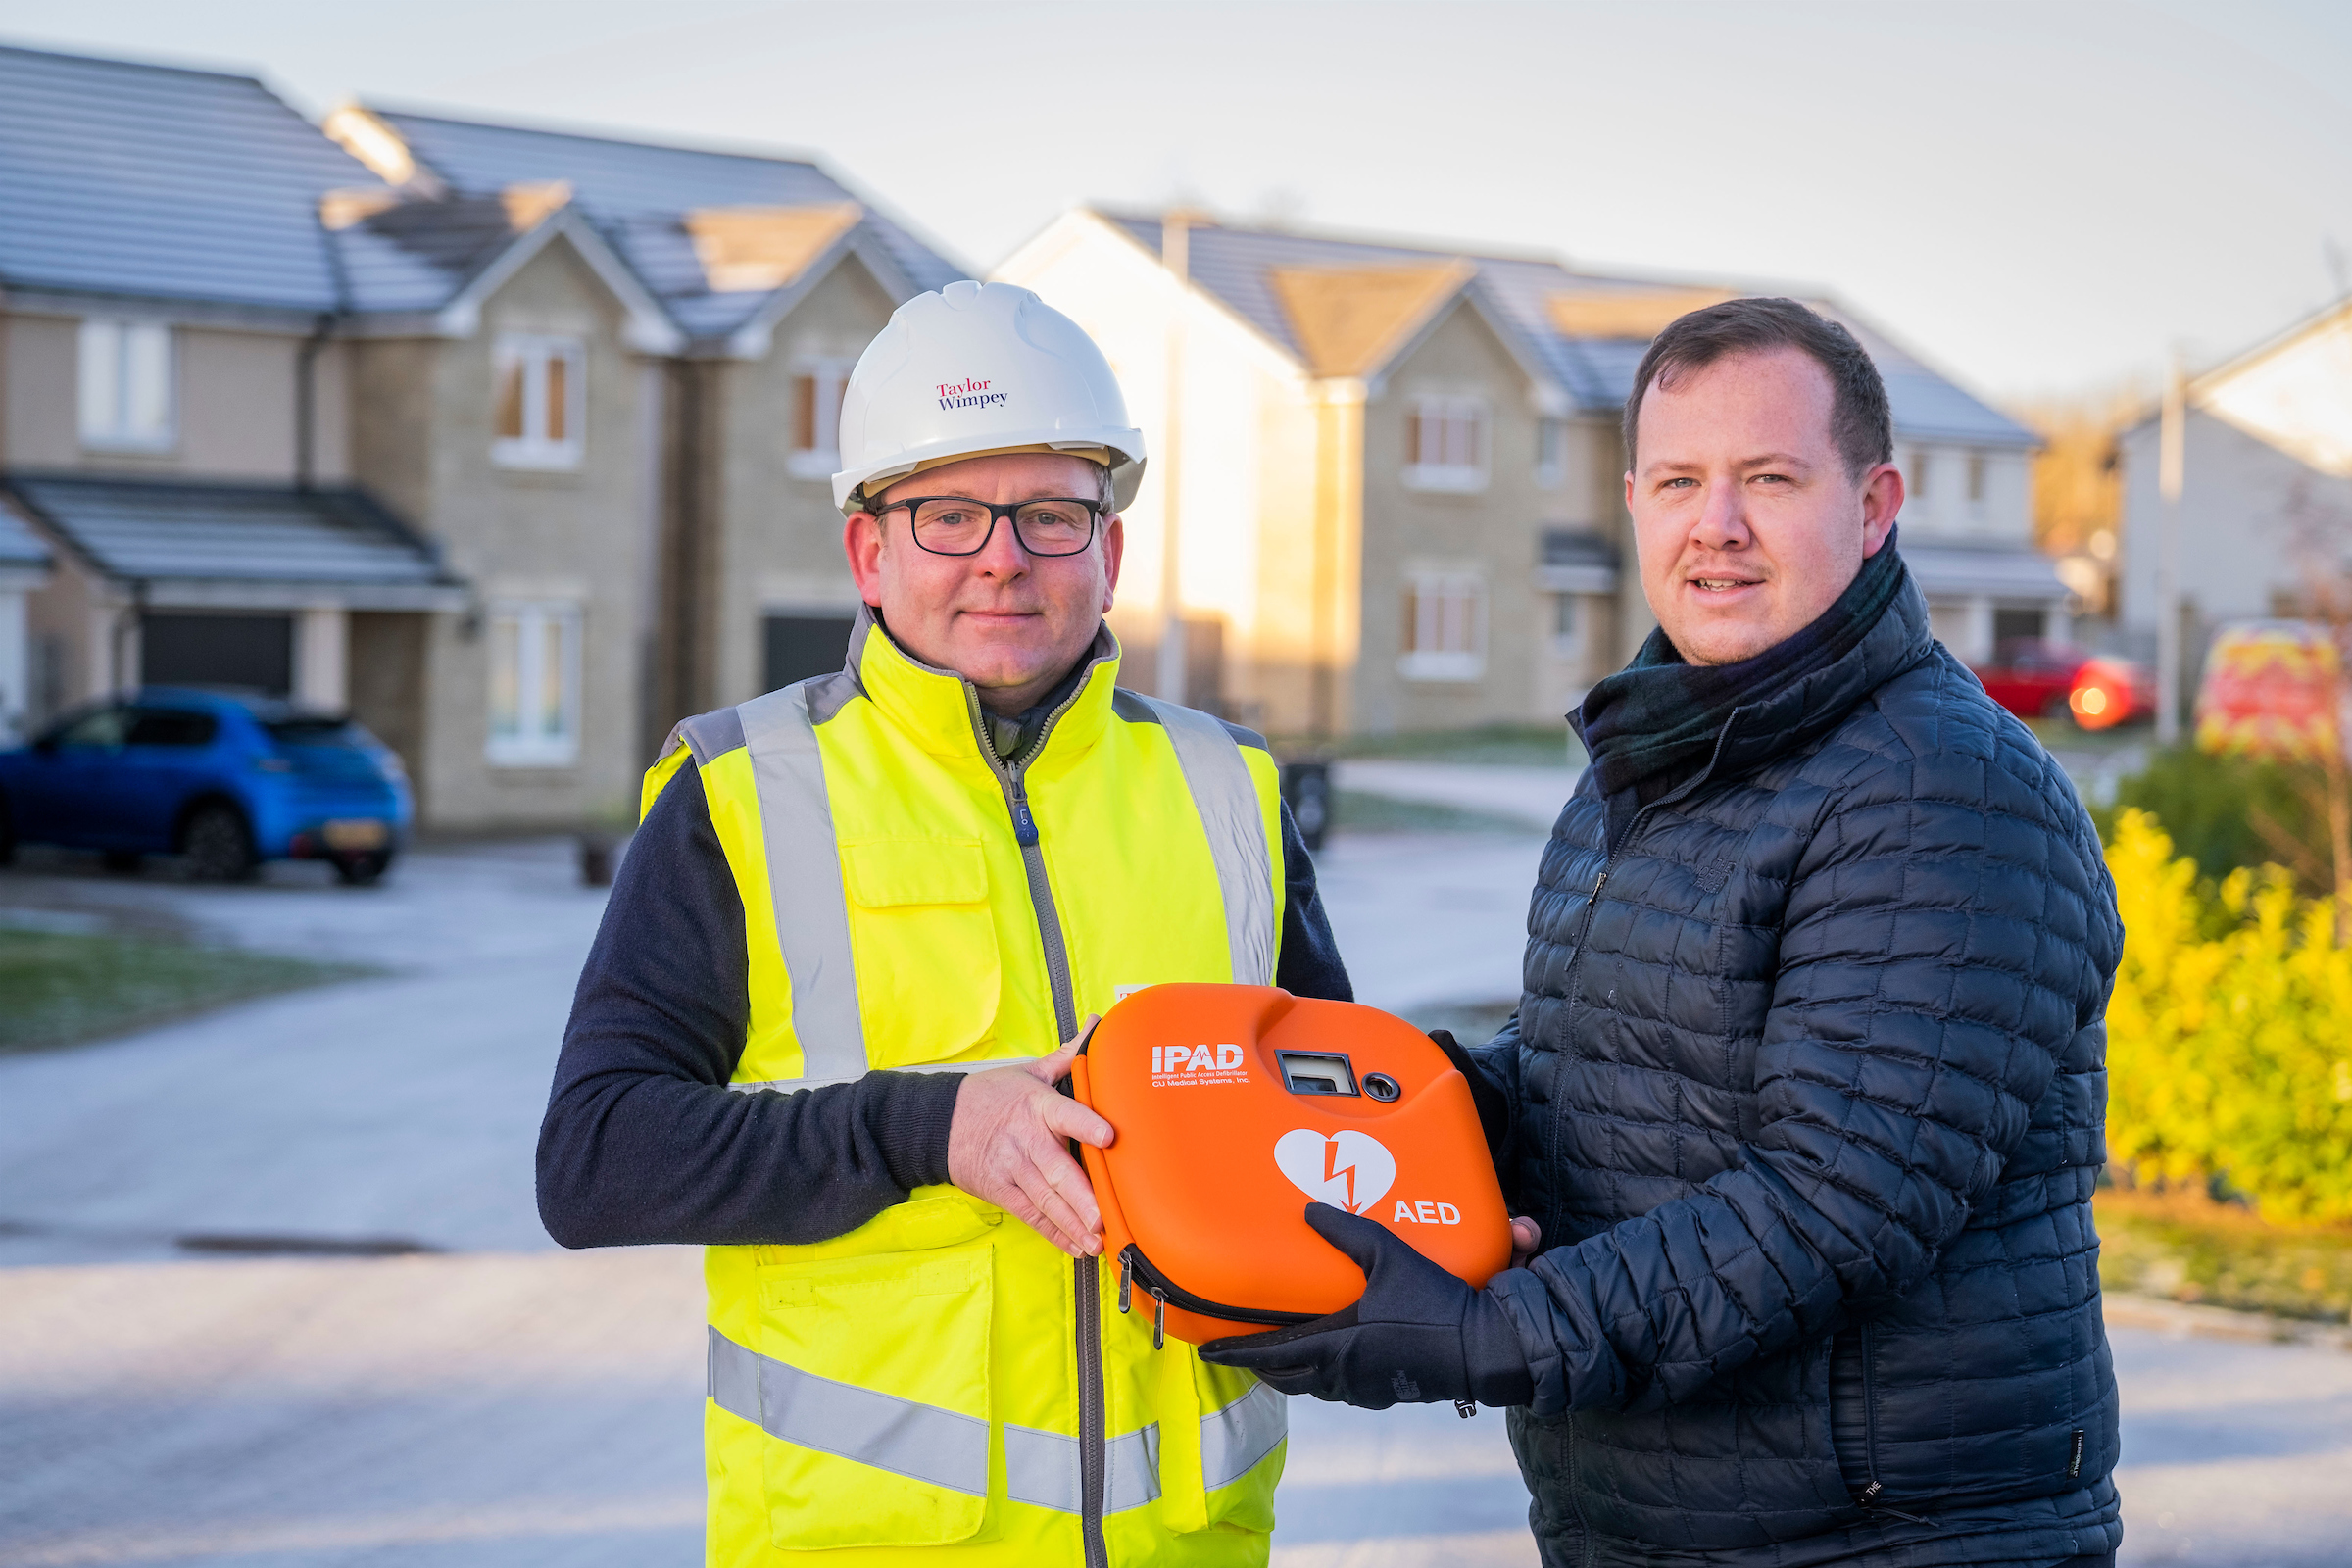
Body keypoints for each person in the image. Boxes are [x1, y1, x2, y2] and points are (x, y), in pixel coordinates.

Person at [1205, 297, 2126, 1568]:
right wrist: (1373, 1111)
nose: (1719, 527)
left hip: (1879, 1539)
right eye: (1682, 480)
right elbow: (1597, 1070)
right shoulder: (1659, 756)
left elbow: (1826, 1209)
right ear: (1632, 501)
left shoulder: (1940, 792)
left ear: (1874, 505)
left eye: (1770, 479)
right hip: (1660, 1523)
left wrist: (1478, 1337)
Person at [539, 279, 1351, 1567]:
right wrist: (925, 1126)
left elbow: (1335, 1122)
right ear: (871, 553)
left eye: (1048, 514)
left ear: (1110, 549)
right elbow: (595, 1160)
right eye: (949, 515)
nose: (1002, 556)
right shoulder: (740, 794)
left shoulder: (1226, 790)